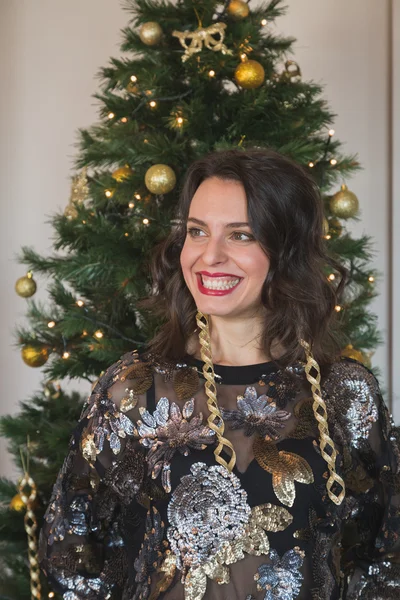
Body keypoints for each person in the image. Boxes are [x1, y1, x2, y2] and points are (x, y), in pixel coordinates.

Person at [39, 148, 400, 600]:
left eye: (241, 235)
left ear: (286, 249)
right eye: (197, 231)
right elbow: (69, 551)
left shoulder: (344, 392)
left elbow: (385, 555)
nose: (210, 256)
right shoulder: (132, 390)